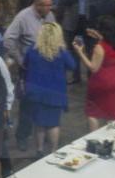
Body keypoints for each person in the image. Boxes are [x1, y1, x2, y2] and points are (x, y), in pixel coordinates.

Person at [3, 0, 56, 149]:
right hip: (29, 69)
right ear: (37, 5)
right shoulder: (23, 17)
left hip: (47, 66)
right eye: (47, 5)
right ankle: (23, 136)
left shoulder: (49, 15)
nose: (50, 8)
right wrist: (19, 59)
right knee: (28, 103)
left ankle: (44, 131)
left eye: (50, 4)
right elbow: (8, 40)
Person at [23, 23, 76, 156]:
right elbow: (73, 66)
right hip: (55, 93)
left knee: (39, 124)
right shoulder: (61, 52)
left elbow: (24, 63)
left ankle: (39, 150)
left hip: (36, 93)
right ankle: (53, 151)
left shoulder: (32, 50)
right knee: (53, 124)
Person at [74, 16, 115, 132]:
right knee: (111, 111)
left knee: (93, 112)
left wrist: (80, 52)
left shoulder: (99, 47)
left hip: (101, 81)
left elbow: (93, 68)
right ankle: (111, 137)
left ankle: (94, 138)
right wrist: (97, 35)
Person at [60, 0, 95, 84]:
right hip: (72, 21)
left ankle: (91, 75)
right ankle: (76, 76)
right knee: (74, 48)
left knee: (90, 48)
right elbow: (65, 1)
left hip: (86, 20)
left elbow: (93, 1)